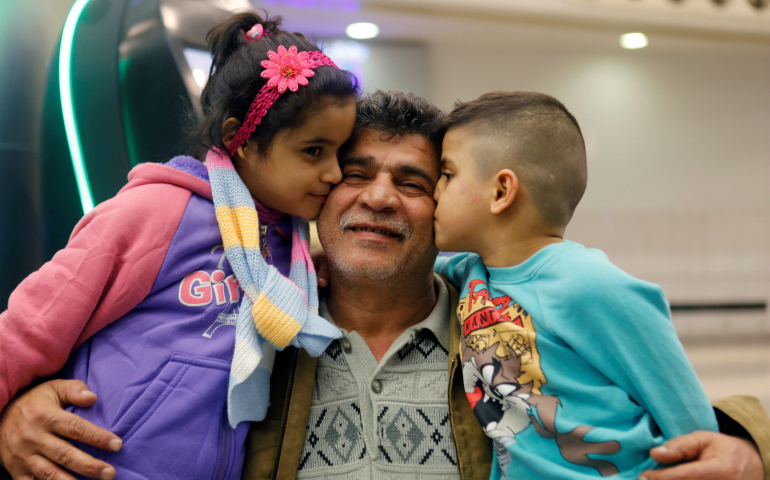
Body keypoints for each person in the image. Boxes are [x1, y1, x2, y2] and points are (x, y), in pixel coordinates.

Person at [1, 92, 768, 480]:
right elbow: (134, 379)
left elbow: (646, 402)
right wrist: (15, 407)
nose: (377, 198)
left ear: (450, 205)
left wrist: (747, 446)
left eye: (413, 181)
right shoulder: (264, 326)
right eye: (355, 174)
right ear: (316, 192)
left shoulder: (498, 316)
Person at [0, 11, 358, 480]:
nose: (333, 173)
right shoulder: (156, 211)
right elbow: (30, 328)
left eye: (339, 152)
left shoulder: (288, 242)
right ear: (240, 139)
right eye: (313, 151)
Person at [430, 91, 724, 479]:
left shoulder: (592, 286)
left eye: (448, 175)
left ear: (501, 191)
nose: (434, 189)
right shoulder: (469, 273)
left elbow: (693, 428)